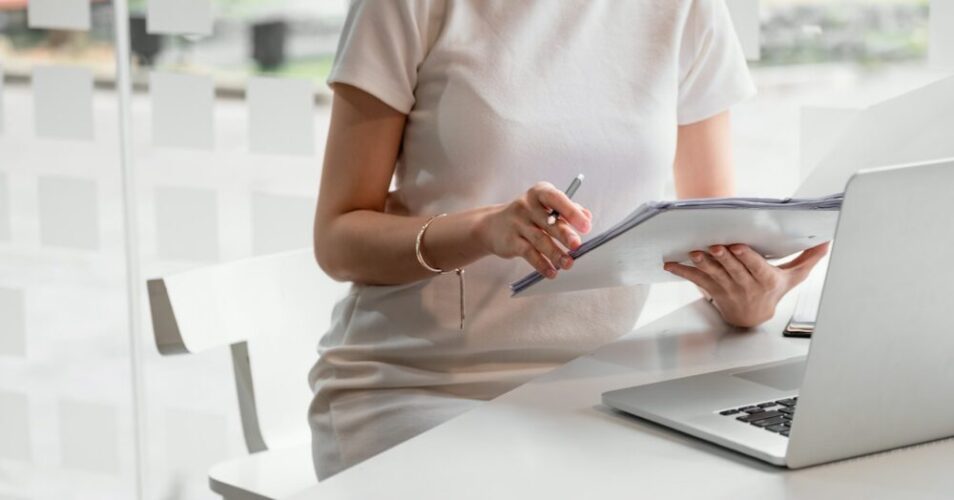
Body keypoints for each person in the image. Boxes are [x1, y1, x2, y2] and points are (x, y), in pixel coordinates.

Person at [308, 0, 829, 480]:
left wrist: (748, 298)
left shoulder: (684, 7)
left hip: (602, 391)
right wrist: (483, 229)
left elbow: (714, 229)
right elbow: (338, 238)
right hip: (420, 386)